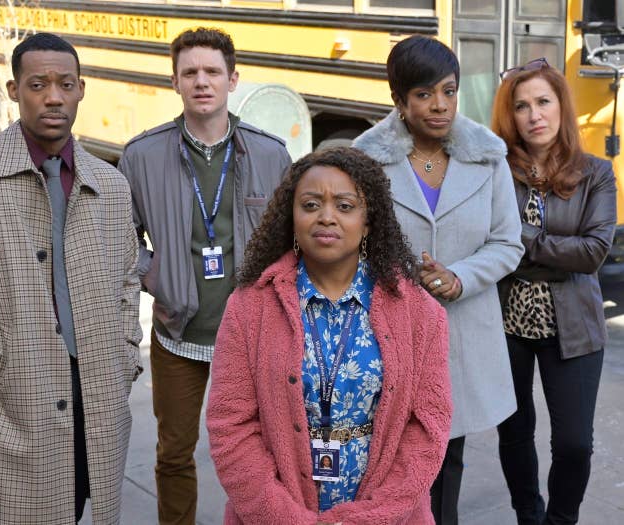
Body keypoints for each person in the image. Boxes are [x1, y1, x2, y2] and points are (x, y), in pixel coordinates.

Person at [0, 33, 143, 524]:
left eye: (66, 84)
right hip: (17, 391)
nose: (53, 97)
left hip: (100, 388)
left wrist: (126, 353)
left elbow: (129, 276)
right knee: (17, 511)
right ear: (12, 89)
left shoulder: (109, 183)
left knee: (85, 502)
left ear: (82, 90)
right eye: (38, 84)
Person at [206, 147, 452, 524]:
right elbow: (231, 428)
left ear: (368, 221)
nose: (326, 217)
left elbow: (428, 430)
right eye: (310, 205)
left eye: (345, 206)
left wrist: (369, 518)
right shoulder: (249, 307)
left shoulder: (419, 313)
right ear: (291, 217)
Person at [118, 27, 290, 524]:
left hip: (256, 333)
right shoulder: (141, 156)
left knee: (269, 452)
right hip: (178, 332)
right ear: (174, 82)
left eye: (212, 71)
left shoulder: (270, 154)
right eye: (189, 72)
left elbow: (291, 241)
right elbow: (120, 237)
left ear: (232, 80)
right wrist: (154, 276)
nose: (201, 81)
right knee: (174, 455)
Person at [354, 35, 524, 525]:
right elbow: (353, 244)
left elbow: (508, 242)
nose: (440, 105)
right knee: (386, 460)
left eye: (448, 91)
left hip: (462, 337)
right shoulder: (365, 162)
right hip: (389, 333)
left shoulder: (487, 157)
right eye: (424, 94)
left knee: (446, 458)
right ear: (399, 100)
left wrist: (459, 277)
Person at [491, 58, 616, 525]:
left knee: (575, 444)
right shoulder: (497, 170)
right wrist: (547, 247)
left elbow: (592, 253)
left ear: (561, 107)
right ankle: (528, 514)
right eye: (521, 106)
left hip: (576, 325)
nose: (533, 115)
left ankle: (561, 520)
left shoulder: (596, 173)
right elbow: (486, 240)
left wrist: (518, 237)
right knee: (515, 432)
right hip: (505, 323)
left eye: (543, 102)